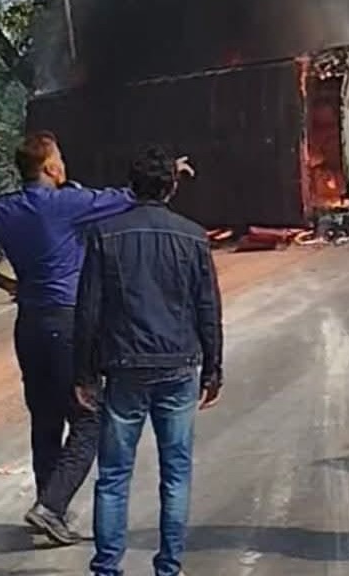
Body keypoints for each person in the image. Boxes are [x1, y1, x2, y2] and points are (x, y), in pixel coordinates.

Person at [0, 132, 191, 545]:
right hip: (69, 321)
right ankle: (51, 506)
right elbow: (128, 197)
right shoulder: (67, 203)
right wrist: (171, 170)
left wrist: (5, 282)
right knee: (89, 417)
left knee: (44, 418)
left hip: (29, 324)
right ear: (51, 168)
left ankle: (48, 507)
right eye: (60, 158)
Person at [73, 146, 223, 576]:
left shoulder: (104, 235)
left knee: (114, 475)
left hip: (123, 367)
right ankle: (169, 568)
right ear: (172, 187)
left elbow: (89, 311)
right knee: (175, 473)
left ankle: (106, 568)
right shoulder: (193, 236)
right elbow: (207, 307)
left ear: (132, 187)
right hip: (179, 366)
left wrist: (83, 374)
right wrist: (213, 367)